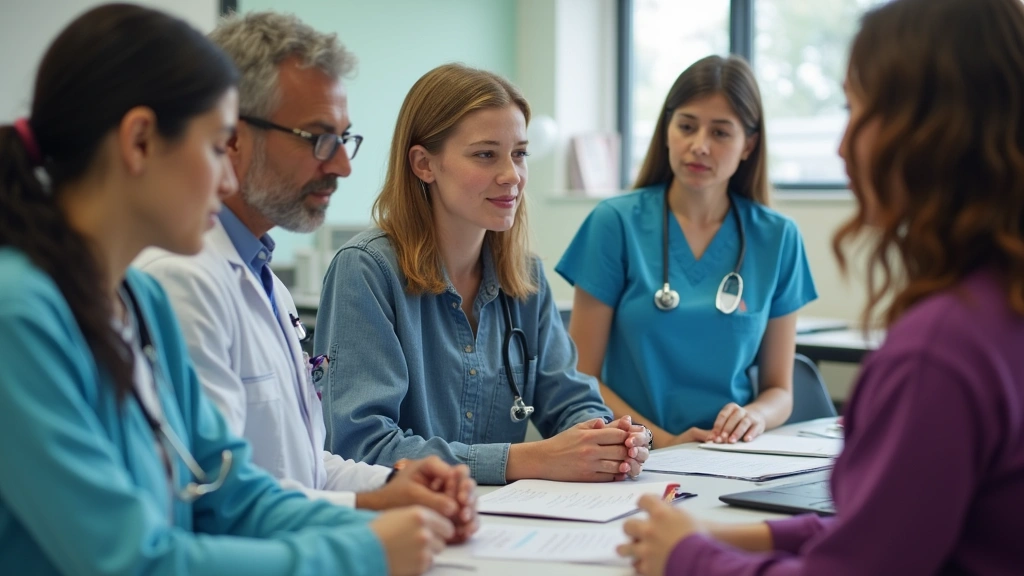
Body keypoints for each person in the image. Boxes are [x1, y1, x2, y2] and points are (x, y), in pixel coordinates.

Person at [0, 5, 452, 575]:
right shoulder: (19, 314)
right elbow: (129, 562)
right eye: (217, 146)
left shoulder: (142, 302)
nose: (228, 177)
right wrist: (364, 550)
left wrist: (394, 523)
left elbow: (231, 495)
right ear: (140, 142)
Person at [617, 0, 1024, 573]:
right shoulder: (999, 311)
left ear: (934, 131)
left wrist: (689, 557)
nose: (841, 146)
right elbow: (884, 528)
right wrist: (730, 534)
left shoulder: (939, 352)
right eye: (686, 126)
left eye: (859, 110)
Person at [134, 11, 477, 538]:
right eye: (318, 138)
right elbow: (221, 497)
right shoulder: (181, 278)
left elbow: (306, 467)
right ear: (231, 135)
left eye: (345, 138)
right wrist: (371, 517)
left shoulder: (261, 275)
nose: (342, 165)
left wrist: (394, 484)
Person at [315, 63, 651, 485]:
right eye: (485, 154)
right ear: (423, 164)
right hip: (404, 526)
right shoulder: (366, 270)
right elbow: (362, 447)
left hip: (504, 521)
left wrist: (609, 441)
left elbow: (569, 400)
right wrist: (524, 460)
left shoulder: (525, 277)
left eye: (520, 153)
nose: (511, 175)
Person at [556, 55, 817, 448]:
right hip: (634, 452)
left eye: (721, 133)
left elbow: (779, 389)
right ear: (666, 131)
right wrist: (659, 441)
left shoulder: (778, 238)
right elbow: (582, 376)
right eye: (687, 126)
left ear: (749, 144)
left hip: (731, 457)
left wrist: (753, 417)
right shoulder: (614, 223)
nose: (699, 146)